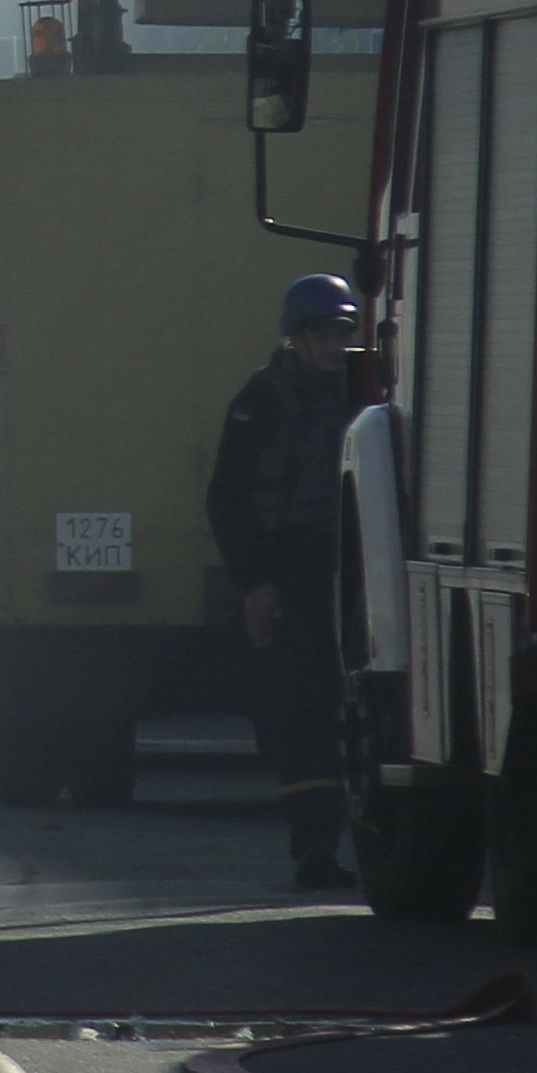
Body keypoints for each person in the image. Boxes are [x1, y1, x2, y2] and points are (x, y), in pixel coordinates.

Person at [209, 270, 365, 893]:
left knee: (363, 706)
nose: (333, 346)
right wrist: (254, 584)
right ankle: (315, 847)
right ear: (296, 339)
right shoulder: (263, 401)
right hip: (292, 569)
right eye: (322, 335)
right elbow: (228, 499)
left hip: (356, 567)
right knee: (303, 710)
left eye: (341, 333)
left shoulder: (363, 392)